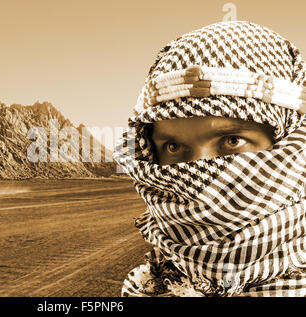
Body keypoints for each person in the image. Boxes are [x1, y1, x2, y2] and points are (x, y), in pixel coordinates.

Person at [113, 21, 305, 297]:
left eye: (232, 141)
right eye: (174, 146)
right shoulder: (143, 287)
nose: (198, 176)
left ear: (290, 143)